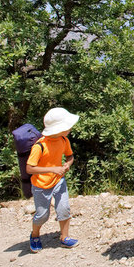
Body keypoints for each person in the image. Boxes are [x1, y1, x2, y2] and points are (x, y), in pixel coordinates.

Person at [26, 107, 80, 253]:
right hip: (41, 185)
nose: (70, 128)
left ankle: (64, 237)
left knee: (64, 209)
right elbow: (30, 168)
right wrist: (52, 169)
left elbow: (70, 156)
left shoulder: (64, 140)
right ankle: (35, 235)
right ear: (60, 128)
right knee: (42, 215)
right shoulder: (40, 146)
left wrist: (67, 165)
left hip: (59, 181)